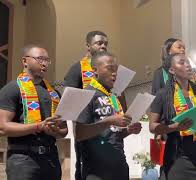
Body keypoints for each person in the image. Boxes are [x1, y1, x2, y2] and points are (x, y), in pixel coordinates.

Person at [63, 30, 127, 180]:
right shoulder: (77, 68)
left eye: (106, 43)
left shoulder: (111, 72)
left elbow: (122, 103)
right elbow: (69, 100)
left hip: (111, 132)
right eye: (99, 43)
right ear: (88, 46)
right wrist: (89, 99)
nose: (103, 46)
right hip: (87, 124)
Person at [0, 44, 68, 180]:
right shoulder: (12, 89)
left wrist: (54, 130)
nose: (44, 64)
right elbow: (2, 127)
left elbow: (64, 130)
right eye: (40, 59)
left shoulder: (53, 93)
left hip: (51, 160)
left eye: (47, 60)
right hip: (23, 160)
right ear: (25, 61)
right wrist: (38, 126)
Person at [74, 51, 142, 180]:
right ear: (95, 71)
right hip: (97, 170)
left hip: (119, 164)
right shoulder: (87, 94)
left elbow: (113, 134)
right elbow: (80, 133)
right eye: (110, 68)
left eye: (116, 69)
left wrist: (128, 130)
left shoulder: (113, 96)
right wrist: (109, 121)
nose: (115, 73)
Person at [149, 53, 196, 180]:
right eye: (182, 62)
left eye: (188, 63)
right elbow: (152, 127)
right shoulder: (163, 94)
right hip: (175, 157)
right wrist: (175, 127)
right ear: (171, 70)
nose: (188, 65)